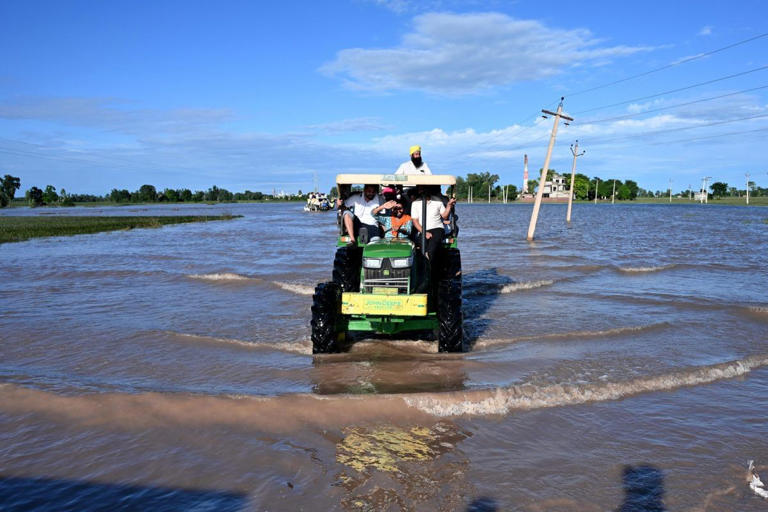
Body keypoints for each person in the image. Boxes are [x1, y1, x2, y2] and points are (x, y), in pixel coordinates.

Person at [410, 186, 455, 261]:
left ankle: (429, 263)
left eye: (424, 189)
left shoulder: (437, 201)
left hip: (437, 227)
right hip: (423, 229)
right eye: (421, 190)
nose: (423, 192)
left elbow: (445, 216)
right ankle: (425, 262)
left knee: (433, 244)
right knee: (422, 243)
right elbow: (415, 221)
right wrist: (424, 232)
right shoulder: (415, 203)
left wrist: (449, 205)